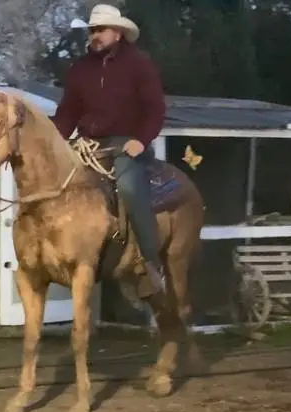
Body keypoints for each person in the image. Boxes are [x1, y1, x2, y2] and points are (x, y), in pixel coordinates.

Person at [51, 4, 166, 293]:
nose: (94, 35)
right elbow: (67, 113)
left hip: (127, 145)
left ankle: (150, 263)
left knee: (128, 187)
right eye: (92, 30)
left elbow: (155, 109)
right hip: (87, 145)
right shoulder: (80, 69)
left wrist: (140, 140)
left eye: (100, 30)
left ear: (117, 32)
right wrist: (54, 143)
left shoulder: (139, 64)